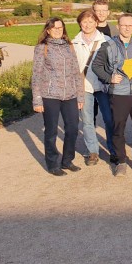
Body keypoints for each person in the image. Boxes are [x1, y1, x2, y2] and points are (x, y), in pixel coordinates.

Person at [92, 13, 132, 176]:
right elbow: (96, 66)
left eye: (130, 25)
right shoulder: (108, 46)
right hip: (119, 94)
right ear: (118, 26)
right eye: (124, 25)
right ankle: (121, 161)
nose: (127, 28)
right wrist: (109, 78)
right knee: (118, 129)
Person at [31, 17, 84, 176]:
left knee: (73, 128)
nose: (57, 30)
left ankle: (67, 160)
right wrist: (37, 99)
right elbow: (36, 74)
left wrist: (80, 97)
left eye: (60, 28)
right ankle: (53, 163)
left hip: (70, 95)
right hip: (50, 95)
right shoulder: (42, 48)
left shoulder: (69, 47)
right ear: (48, 30)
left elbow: (76, 73)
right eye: (54, 28)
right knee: (51, 131)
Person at [72, 10, 112, 166]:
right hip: (84, 87)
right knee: (88, 121)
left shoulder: (106, 40)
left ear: (96, 23)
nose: (87, 25)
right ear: (80, 23)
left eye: (90, 21)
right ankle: (93, 151)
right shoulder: (74, 43)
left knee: (109, 119)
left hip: (103, 86)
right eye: (84, 22)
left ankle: (112, 149)